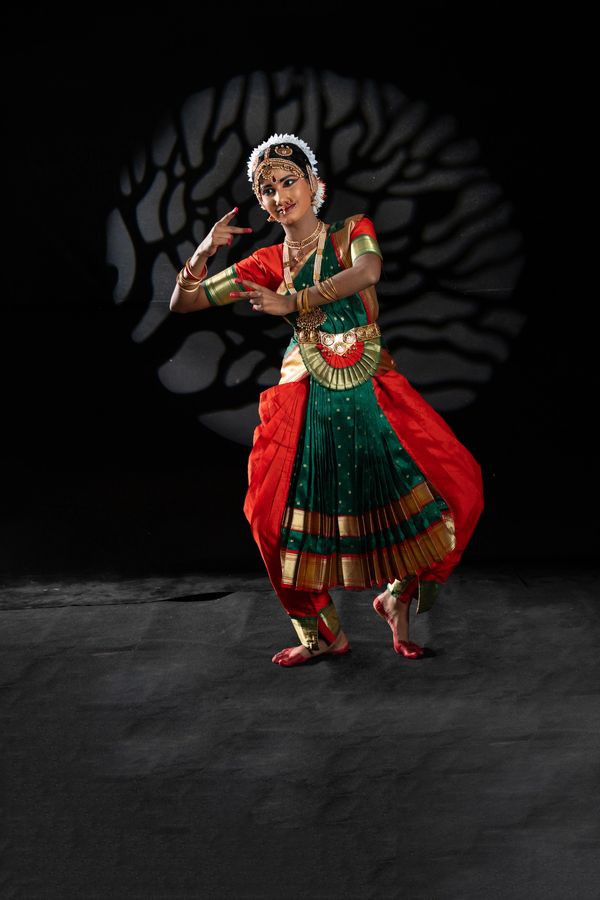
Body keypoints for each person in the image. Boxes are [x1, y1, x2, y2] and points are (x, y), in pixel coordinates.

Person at [169, 132, 484, 667]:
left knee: (458, 489)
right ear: (263, 204)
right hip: (305, 398)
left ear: (315, 184)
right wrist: (204, 251)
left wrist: (290, 301)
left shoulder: (350, 233)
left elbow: (368, 273)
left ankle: (397, 599)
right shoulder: (268, 261)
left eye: (289, 180)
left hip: (371, 390)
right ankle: (324, 634)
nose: (279, 193)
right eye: (267, 188)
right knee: (269, 521)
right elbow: (186, 302)